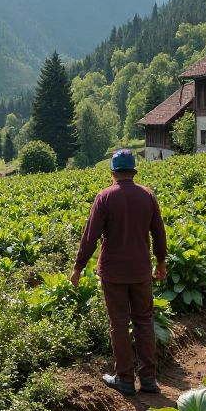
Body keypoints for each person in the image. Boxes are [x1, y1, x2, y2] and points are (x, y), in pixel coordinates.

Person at [70, 148, 167, 395]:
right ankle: (148, 378)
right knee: (144, 320)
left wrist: (78, 267)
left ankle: (124, 379)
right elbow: (159, 232)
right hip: (141, 270)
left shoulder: (104, 197)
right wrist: (161, 262)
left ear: (113, 172)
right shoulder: (147, 195)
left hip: (113, 273)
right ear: (133, 171)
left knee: (119, 323)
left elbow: (90, 236)